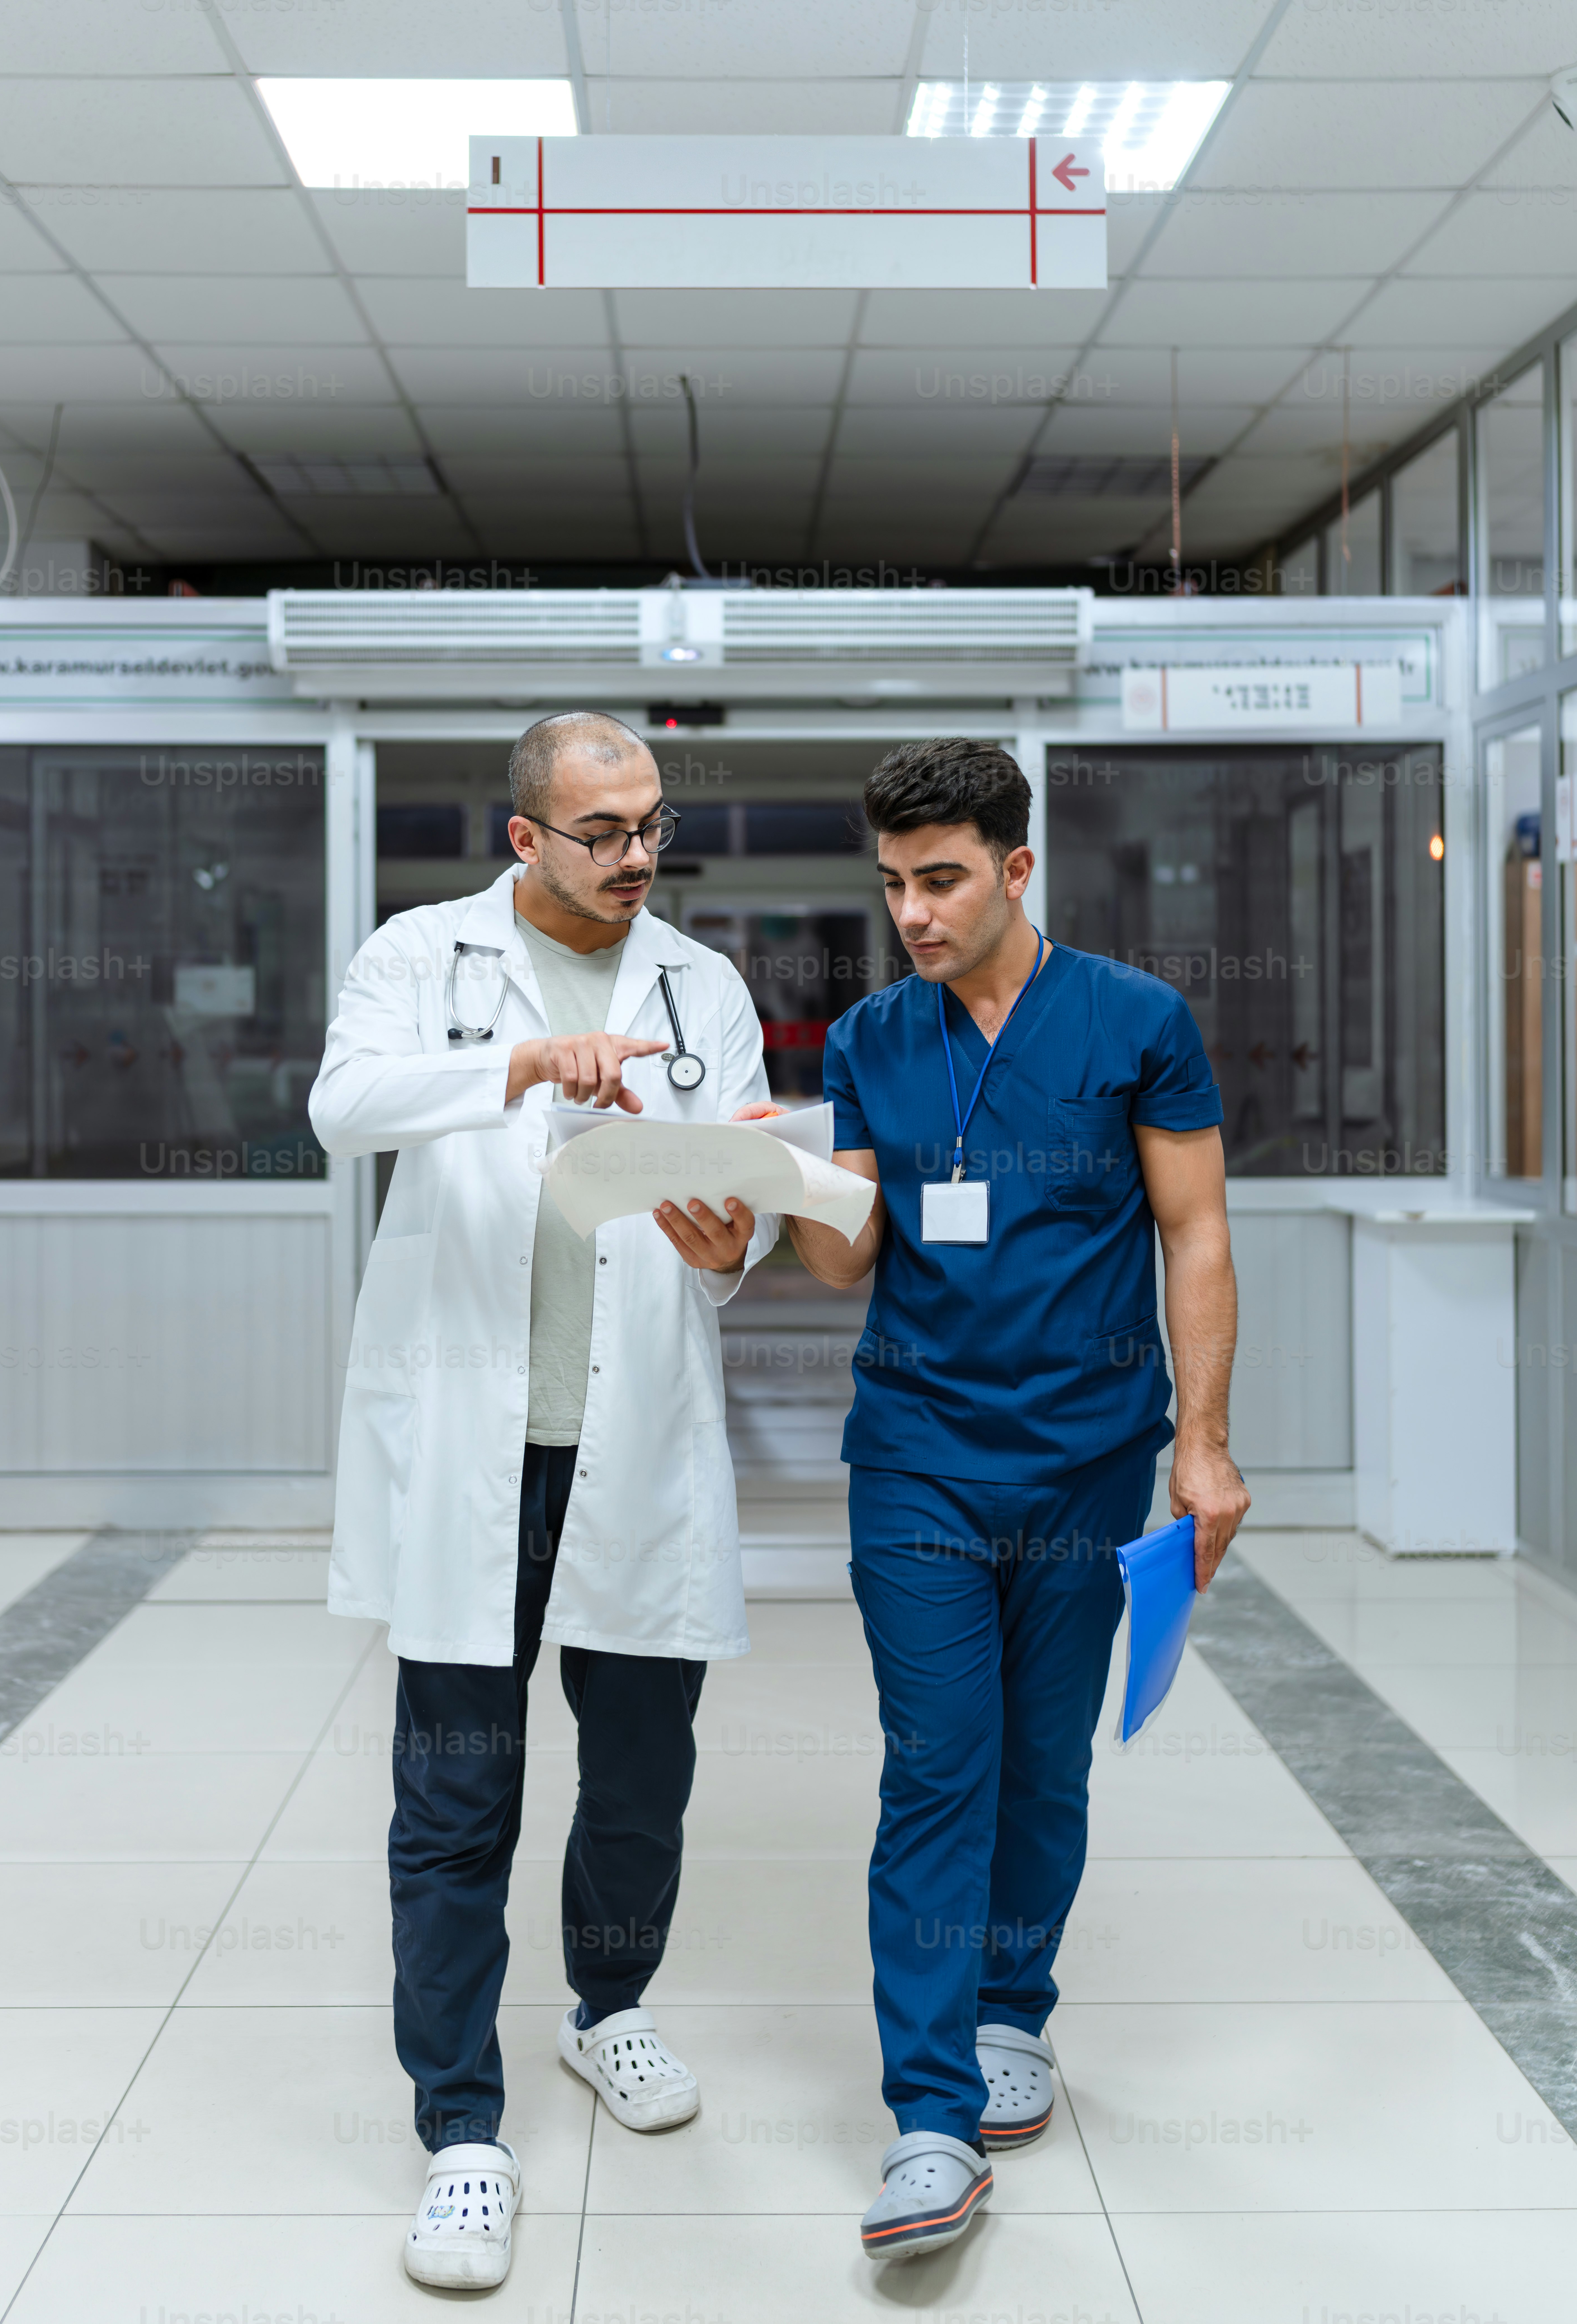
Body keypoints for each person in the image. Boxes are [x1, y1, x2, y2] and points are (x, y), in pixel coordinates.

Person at [758, 736, 1245, 2265]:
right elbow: (847, 1256)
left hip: (1093, 1456)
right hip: (915, 1456)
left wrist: (1205, 1444)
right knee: (938, 1764)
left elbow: (1199, 1230)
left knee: (1045, 1765)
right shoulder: (869, 1038)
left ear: (1018, 868)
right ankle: (927, 2116)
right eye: (894, 880)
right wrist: (766, 1202)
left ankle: (1013, 2008)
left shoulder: (1136, 1023)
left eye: (944, 877)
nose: (913, 909)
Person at [308, 711, 775, 2292]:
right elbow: (345, 1108)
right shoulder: (419, 959)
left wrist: (736, 1242)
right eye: (603, 831)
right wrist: (517, 1059)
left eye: (651, 825)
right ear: (526, 838)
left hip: (630, 1436)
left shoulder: (700, 985)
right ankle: (460, 2129)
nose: (638, 855)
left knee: (642, 1775)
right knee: (458, 1791)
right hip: (472, 1449)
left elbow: (734, 1208)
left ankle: (610, 2011)